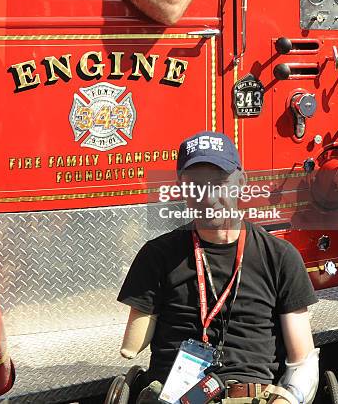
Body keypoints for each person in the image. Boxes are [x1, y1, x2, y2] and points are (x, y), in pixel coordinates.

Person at [117, 131, 319, 404]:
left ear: (241, 182)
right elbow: (132, 347)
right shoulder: (157, 255)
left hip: (254, 397)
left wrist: (288, 399)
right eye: (195, 185)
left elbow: (302, 361)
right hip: (175, 397)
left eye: (219, 183)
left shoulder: (281, 257)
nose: (207, 196)